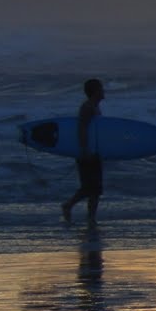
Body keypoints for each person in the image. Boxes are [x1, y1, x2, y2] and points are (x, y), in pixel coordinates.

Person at [62, 78, 105, 225]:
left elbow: (96, 131)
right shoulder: (87, 107)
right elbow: (82, 128)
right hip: (86, 151)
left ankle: (91, 218)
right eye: (101, 88)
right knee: (89, 187)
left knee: (96, 188)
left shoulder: (95, 106)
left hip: (94, 151)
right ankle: (68, 205)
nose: (104, 91)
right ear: (95, 91)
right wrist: (84, 149)